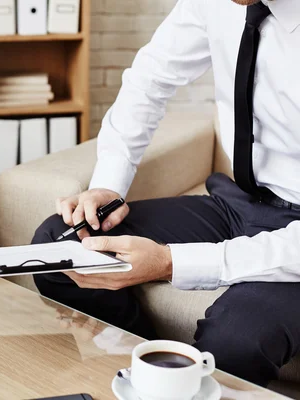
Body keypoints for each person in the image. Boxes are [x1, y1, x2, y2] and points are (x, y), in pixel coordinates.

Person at [33, 0, 300, 387]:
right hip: (242, 203)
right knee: (60, 248)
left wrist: (169, 262)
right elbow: (151, 78)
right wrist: (109, 183)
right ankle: (144, 377)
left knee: (233, 343)